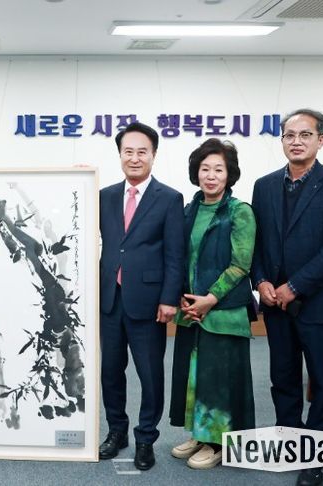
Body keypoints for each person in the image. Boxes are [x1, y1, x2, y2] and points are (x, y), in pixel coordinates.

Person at [251, 108, 323, 486]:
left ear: (320, 140)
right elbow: (257, 243)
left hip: (322, 303)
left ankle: (316, 458)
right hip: (276, 304)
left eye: (305, 135)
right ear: (282, 140)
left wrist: (294, 286)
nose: (296, 141)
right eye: (289, 135)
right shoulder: (264, 185)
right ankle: (290, 442)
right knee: (283, 378)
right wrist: (261, 280)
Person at [99, 122, 185, 469]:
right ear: (120, 154)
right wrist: (77, 182)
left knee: (150, 375)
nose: (134, 158)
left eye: (142, 152)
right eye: (128, 151)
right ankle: (116, 431)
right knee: (110, 372)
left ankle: (146, 437)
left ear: (153, 155)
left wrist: (169, 298)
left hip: (150, 302)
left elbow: (175, 255)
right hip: (110, 299)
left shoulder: (169, 198)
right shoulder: (103, 195)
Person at [169, 139, 256, 470]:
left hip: (223, 311)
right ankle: (200, 433)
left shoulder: (239, 211)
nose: (211, 175)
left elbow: (240, 265)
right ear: (196, 172)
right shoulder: (188, 210)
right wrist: (182, 295)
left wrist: (210, 299)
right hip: (191, 311)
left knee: (220, 379)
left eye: (218, 169)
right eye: (205, 169)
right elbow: (179, 258)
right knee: (194, 376)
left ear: (229, 174)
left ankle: (219, 441)